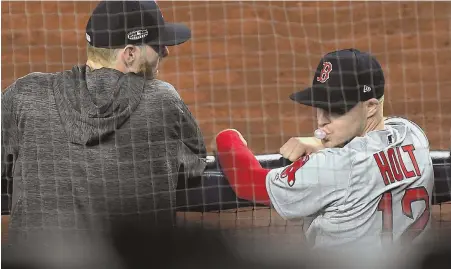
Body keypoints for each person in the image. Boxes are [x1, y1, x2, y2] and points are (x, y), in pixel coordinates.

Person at [1, 0, 207, 246]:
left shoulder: (25, 95)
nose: (166, 51)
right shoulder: (163, 101)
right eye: (157, 45)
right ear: (130, 54)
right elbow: (193, 164)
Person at [215, 49, 434, 251]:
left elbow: (248, 182)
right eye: (320, 105)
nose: (322, 120)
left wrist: (228, 137)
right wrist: (323, 142)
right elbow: (376, 138)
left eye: (337, 110)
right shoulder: (414, 135)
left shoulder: (332, 167)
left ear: (370, 107)